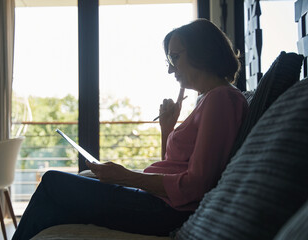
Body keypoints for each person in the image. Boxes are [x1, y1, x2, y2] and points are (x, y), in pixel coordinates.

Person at [12, 19, 248, 239]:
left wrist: (126, 177)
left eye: (175, 57)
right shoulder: (209, 99)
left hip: (165, 211)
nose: (170, 69)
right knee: (54, 204)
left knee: (54, 183)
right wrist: (167, 129)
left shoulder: (221, 99)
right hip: (161, 203)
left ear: (202, 52)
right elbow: (175, 166)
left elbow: (195, 185)